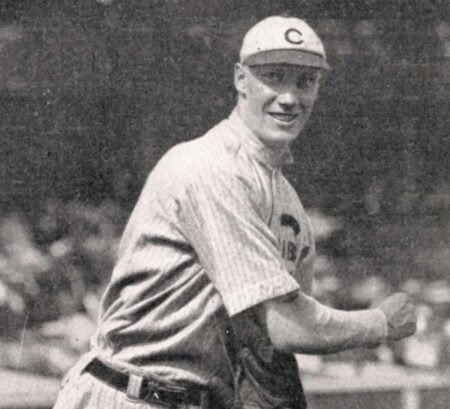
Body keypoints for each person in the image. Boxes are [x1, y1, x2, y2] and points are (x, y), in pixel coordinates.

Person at [53, 15, 417, 409]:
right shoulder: (210, 167)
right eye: (274, 77)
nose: (290, 97)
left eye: (305, 81)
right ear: (241, 79)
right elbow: (287, 327)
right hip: (127, 392)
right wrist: (380, 323)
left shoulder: (287, 201)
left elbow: (269, 346)